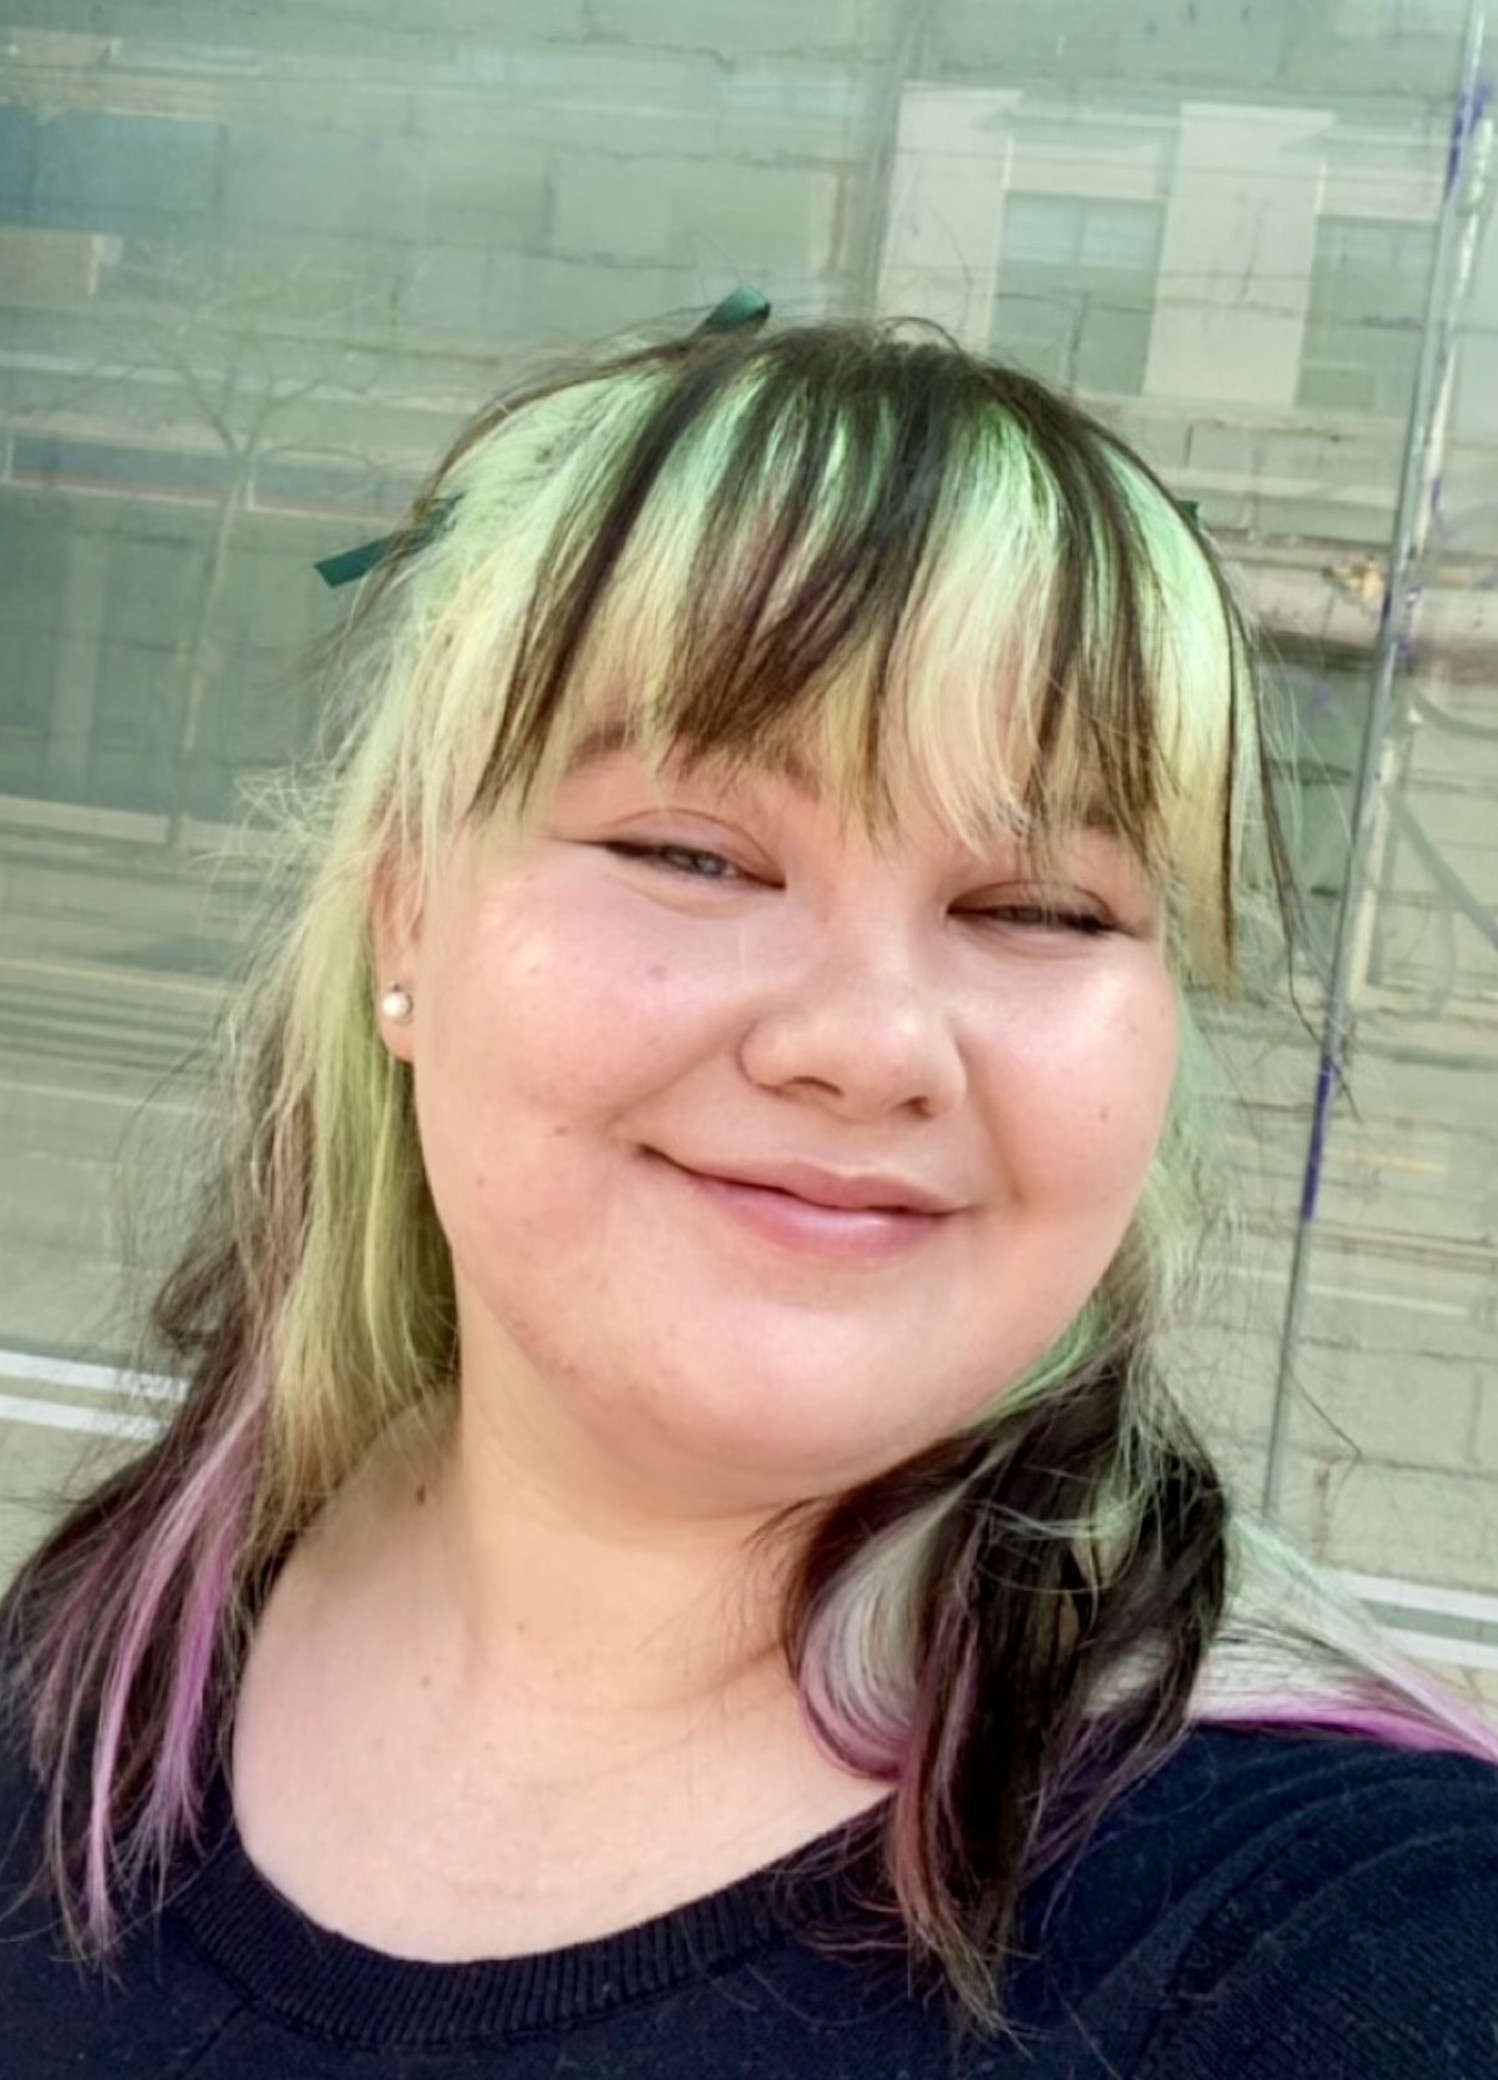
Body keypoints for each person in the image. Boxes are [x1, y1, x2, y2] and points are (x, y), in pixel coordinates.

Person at [2, 307, 1496, 2078]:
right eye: (692, 854)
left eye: (1037, 907)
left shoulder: (1345, 1945)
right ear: (408, 921)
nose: (869, 1044)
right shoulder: (122, 1645)